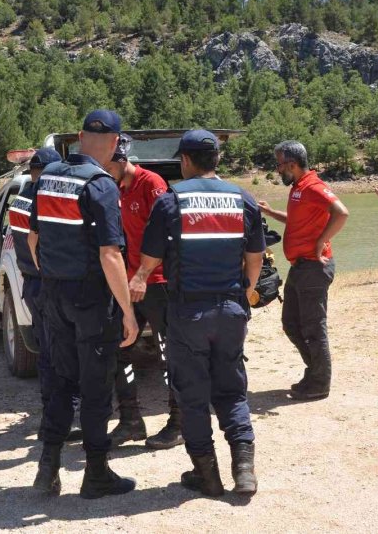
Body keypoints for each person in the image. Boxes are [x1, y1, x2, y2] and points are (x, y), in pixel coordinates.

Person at [130, 129, 264, 497]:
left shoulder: (172, 200)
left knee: (191, 394)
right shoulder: (243, 198)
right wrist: (245, 292)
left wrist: (139, 277)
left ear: (185, 160)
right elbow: (255, 259)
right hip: (231, 309)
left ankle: (208, 476)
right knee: (232, 391)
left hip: (188, 313)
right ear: (217, 159)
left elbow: (152, 258)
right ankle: (244, 470)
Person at [28, 110, 140, 499]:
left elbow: (33, 240)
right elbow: (111, 254)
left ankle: (48, 469)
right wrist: (127, 312)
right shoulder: (101, 185)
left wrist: (52, 276)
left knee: (59, 382)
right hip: (90, 299)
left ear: (79, 136)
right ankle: (96, 473)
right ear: (115, 143)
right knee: (95, 387)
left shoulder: (49, 178)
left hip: (54, 295)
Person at [103, 134, 183, 450]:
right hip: (131, 282)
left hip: (158, 282)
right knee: (118, 343)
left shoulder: (152, 184)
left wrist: (144, 274)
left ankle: (178, 423)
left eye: (107, 166)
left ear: (122, 161)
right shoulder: (115, 188)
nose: (103, 172)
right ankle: (131, 420)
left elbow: (168, 233)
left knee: (170, 353)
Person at [258, 141, 349, 402]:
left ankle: (319, 383)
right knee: (291, 324)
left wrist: (322, 241)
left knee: (313, 328)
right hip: (301, 266)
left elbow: (341, 213)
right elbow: (298, 220)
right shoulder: (299, 188)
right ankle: (315, 372)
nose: (278, 170)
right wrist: (270, 212)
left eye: (279, 165)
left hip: (314, 267)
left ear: (292, 164)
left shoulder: (314, 186)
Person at [7, 147, 63, 434]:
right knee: (63, 351)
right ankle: (66, 411)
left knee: (45, 351)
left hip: (31, 283)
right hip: (50, 284)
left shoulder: (18, 202)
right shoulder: (47, 204)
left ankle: (49, 410)